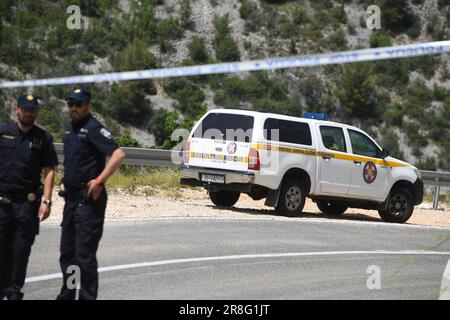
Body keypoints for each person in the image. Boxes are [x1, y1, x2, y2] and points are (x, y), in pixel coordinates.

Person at [57, 88, 125, 300]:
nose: (74, 108)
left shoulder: (93, 128)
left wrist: (98, 181)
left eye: (78, 104)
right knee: (68, 255)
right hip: (71, 201)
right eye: (70, 104)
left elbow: (118, 154)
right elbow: (74, 162)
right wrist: (63, 180)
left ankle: (87, 298)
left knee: (83, 256)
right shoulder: (70, 129)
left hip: (88, 203)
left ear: (88, 106)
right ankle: (68, 295)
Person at [0, 94, 57, 300]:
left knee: (21, 251)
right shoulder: (3, 132)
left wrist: (47, 201)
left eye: (32, 109)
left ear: (37, 112)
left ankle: (14, 292)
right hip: (2, 203)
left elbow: (49, 170)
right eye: (25, 109)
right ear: (17, 110)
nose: (28, 113)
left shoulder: (43, 138)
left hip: (27, 204)